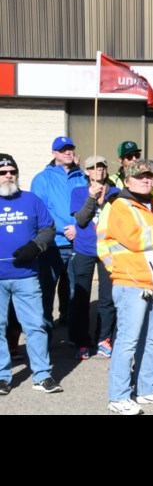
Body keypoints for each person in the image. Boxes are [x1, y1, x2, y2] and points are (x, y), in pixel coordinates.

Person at [97, 159, 153, 414]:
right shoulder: (120, 206)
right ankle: (118, 396)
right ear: (127, 180)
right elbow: (137, 239)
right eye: (140, 177)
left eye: (149, 176)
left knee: (151, 339)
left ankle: (146, 389)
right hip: (131, 281)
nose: (146, 180)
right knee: (127, 341)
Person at [0, 153, 62, 395]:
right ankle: (3, 376)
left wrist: (36, 246)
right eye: (3, 172)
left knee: (36, 326)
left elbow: (48, 228)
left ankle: (42, 375)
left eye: (12, 171)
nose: (8, 176)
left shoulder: (31, 199)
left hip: (26, 275)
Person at [31, 135, 88, 335]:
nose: (68, 152)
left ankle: (74, 334)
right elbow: (41, 211)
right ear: (54, 153)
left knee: (76, 292)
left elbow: (88, 206)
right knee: (47, 292)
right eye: (63, 149)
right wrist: (67, 228)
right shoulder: (42, 178)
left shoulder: (82, 177)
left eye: (70, 148)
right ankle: (44, 335)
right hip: (54, 244)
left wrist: (77, 227)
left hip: (78, 243)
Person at [69, 155, 120, 360]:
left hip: (108, 250)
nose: (98, 170)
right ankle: (82, 341)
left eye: (102, 166)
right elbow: (80, 220)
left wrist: (105, 197)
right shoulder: (78, 191)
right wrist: (91, 198)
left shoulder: (116, 192)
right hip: (84, 249)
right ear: (87, 172)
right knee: (81, 297)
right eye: (93, 167)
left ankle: (104, 338)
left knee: (107, 297)